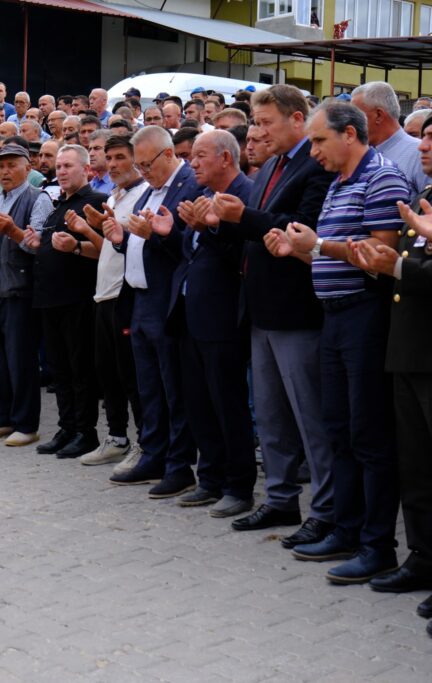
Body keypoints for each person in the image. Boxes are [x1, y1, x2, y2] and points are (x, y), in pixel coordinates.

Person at [264, 100, 409, 584]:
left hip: (365, 316)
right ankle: (346, 531)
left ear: (350, 135)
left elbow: (379, 254)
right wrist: (301, 251)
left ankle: (377, 545)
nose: (315, 151)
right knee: (339, 430)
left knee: (369, 435)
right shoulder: (339, 183)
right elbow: (328, 256)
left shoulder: (382, 177)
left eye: (321, 141)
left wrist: (318, 247)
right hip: (335, 317)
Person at [211, 85, 337, 548]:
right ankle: (282, 497)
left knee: (310, 420)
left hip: (296, 309)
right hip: (261, 307)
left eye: (266, 123)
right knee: (270, 416)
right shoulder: (271, 166)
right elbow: (261, 222)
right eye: (256, 123)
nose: (258, 132)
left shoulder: (314, 165)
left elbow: (301, 228)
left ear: (298, 119)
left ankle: (326, 510)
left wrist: (243, 216)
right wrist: (232, 220)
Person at [345, 117, 432, 615]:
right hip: (409, 347)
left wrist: (395, 265)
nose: (423, 145)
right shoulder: (426, 194)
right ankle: (423, 555)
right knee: (417, 468)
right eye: (424, 136)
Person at [103, 125, 201, 498]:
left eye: (146, 164)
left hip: (166, 300)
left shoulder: (187, 185)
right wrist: (121, 238)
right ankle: (154, 453)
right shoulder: (150, 188)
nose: (142, 171)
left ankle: (179, 464)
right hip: (141, 299)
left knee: (172, 386)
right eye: (139, 166)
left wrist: (152, 235)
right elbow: (142, 238)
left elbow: (185, 247)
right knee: (149, 388)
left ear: (168, 154)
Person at [168, 130, 256, 518]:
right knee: (199, 402)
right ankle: (209, 479)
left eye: (201, 156)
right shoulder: (201, 197)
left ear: (225, 158)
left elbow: (243, 256)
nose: (193, 163)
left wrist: (212, 229)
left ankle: (239, 486)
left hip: (223, 318)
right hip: (190, 314)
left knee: (228, 404)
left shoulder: (245, 194)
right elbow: (190, 251)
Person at [23, 145, 108, 459]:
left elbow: (105, 249)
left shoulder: (96, 203)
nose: (60, 171)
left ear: (86, 169)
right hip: (50, 298)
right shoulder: (59, 205)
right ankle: (67, 426)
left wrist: (76, 243)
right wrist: (37, 242)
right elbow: (50, 244)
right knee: (59, 369)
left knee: (79, 368)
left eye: (68, 166)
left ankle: (86, 432)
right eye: (58, 166)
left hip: (78, 298)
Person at [0, 143, 52, 447]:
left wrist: (14, 231)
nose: (5, 171)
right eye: (1, 165)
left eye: (12, 165)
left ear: (27, 168)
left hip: (17, 288)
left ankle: (25, 423)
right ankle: (0, 417)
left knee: (20, 358)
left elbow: (39, 244)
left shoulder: (36, 199)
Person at [74, 134, 146, 471]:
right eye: (110, 158)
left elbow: (132, 242)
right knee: (108, 374)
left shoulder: (145, 195)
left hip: (125, 295)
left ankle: (146, 442)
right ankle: (117, 438)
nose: (114, 164)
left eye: (121, 157)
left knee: (130, 376)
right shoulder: (115, 197)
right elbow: (110, 246)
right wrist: (89, 231)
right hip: (103, 294)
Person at [352, 81, 432, 195]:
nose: (351, 124)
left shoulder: (419, 153)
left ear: (379, 115)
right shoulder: (360, 154)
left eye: (357, 116)